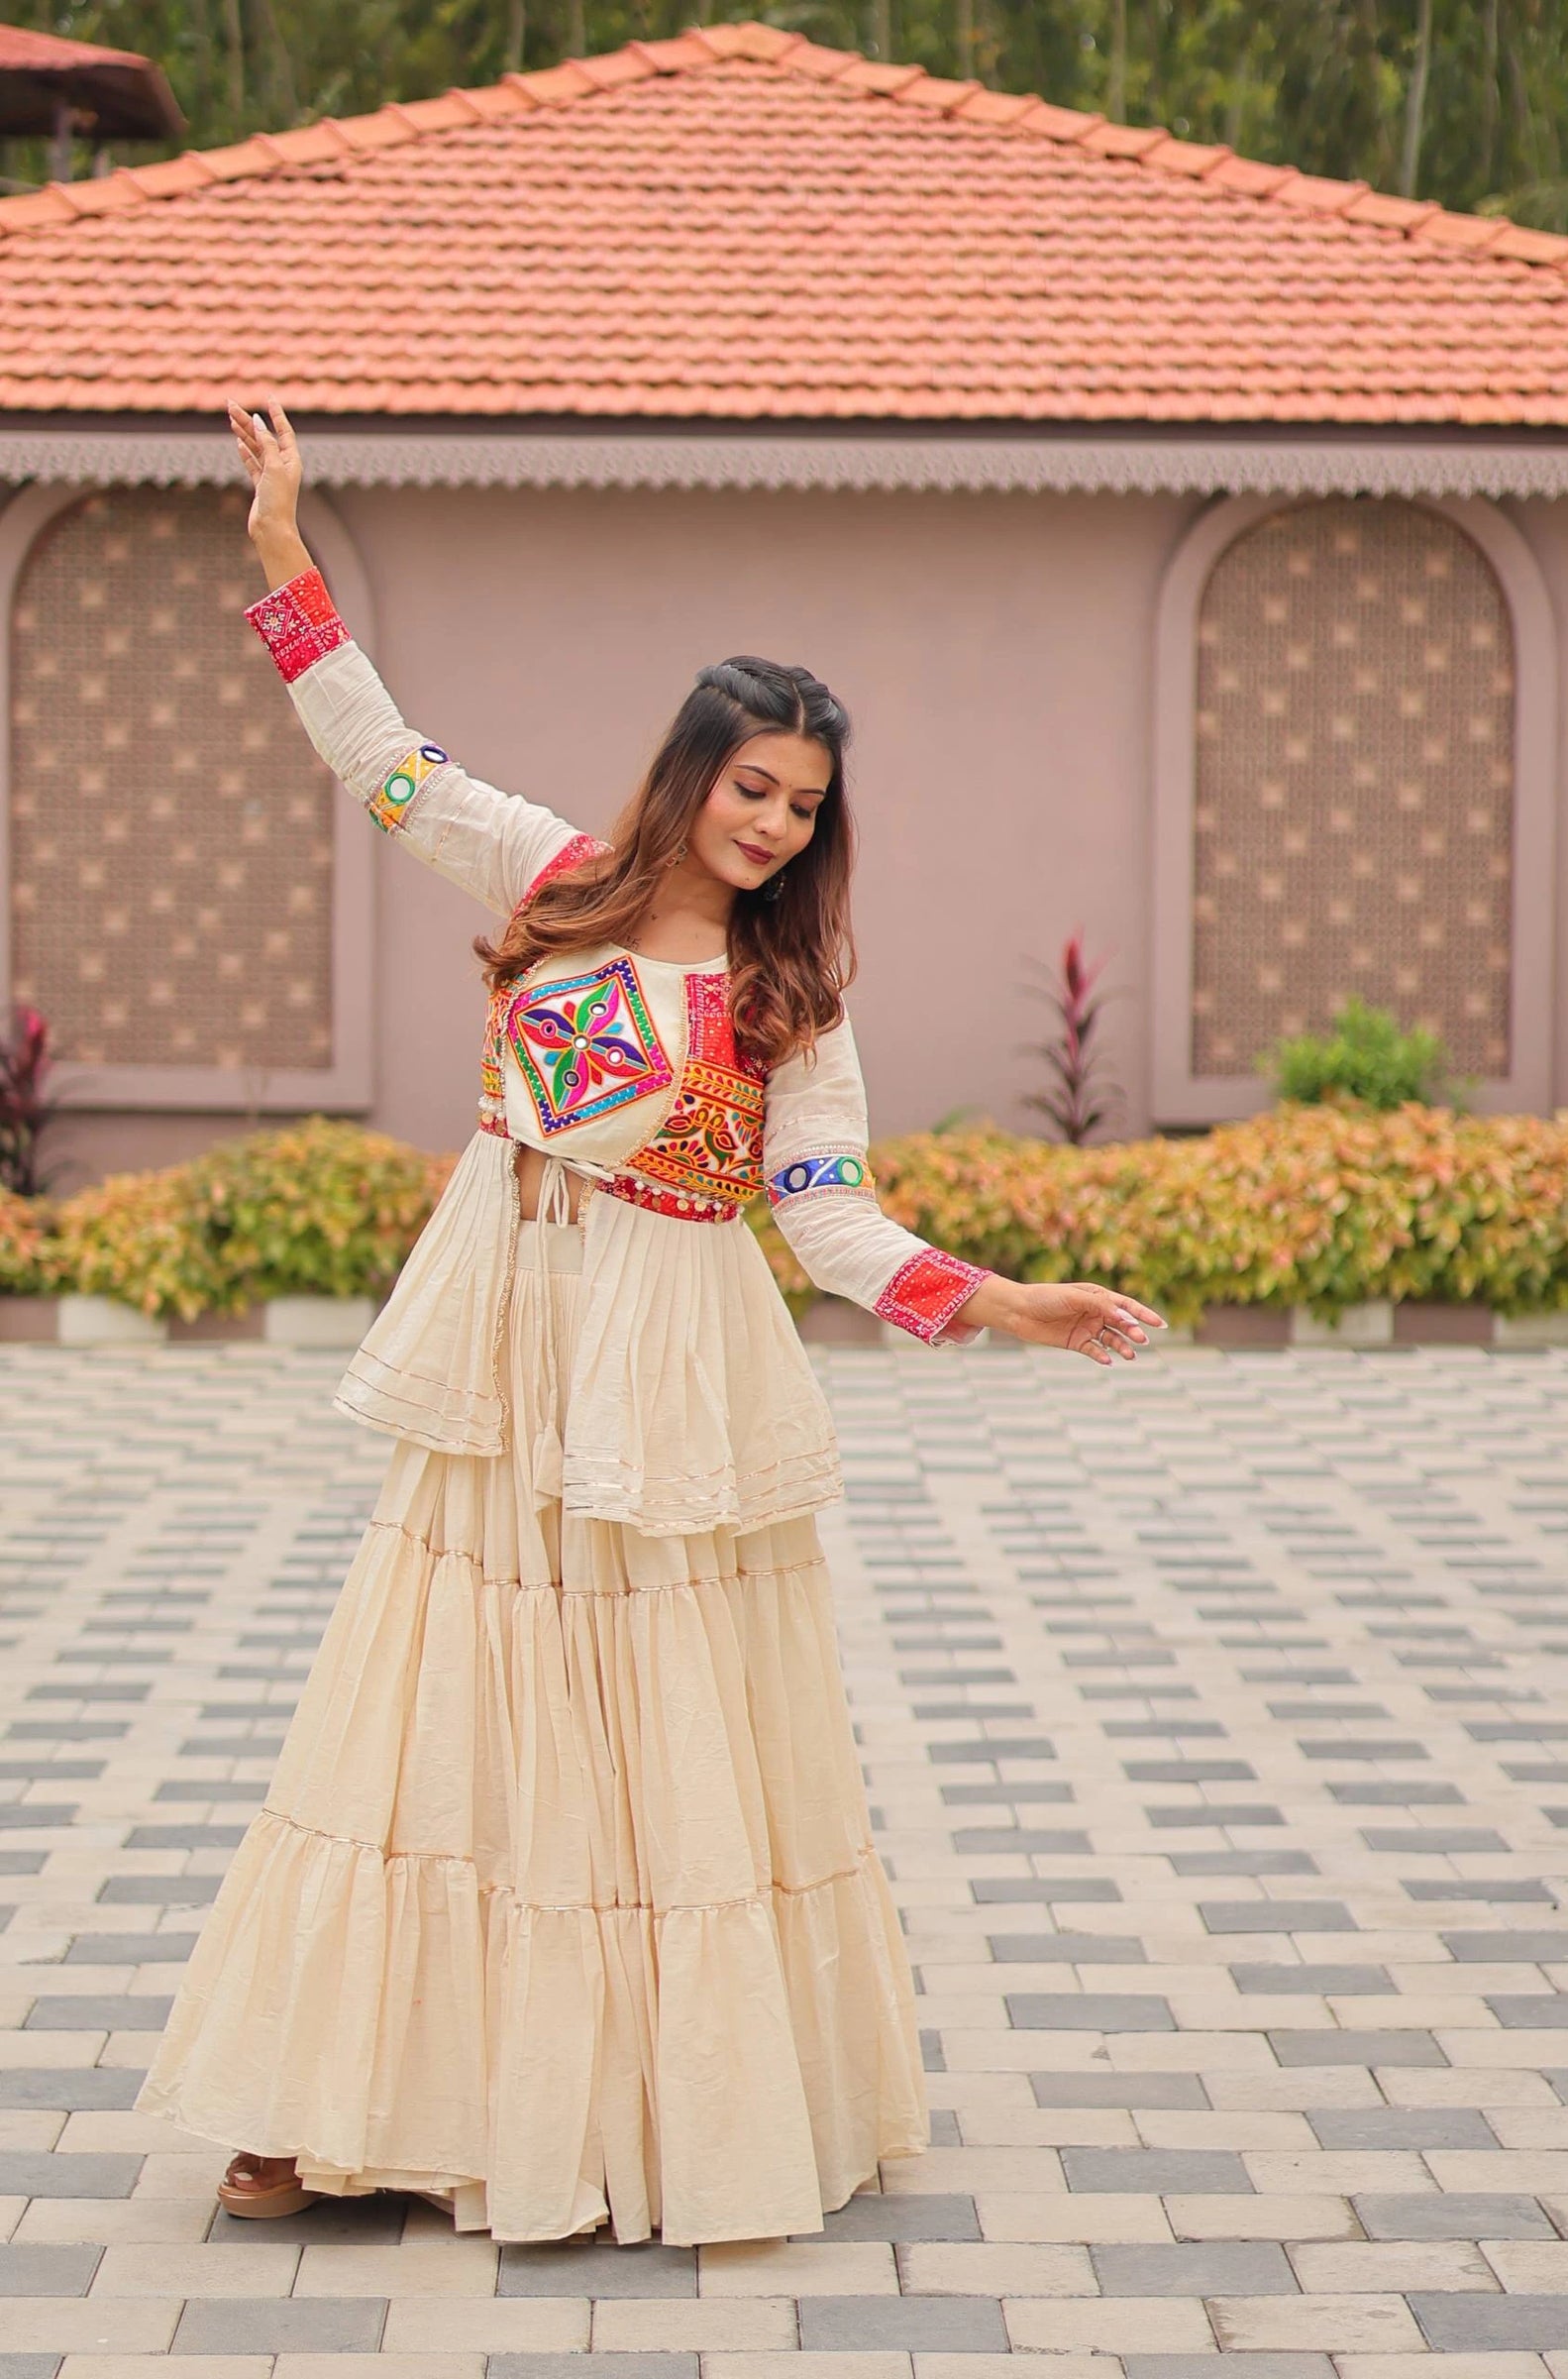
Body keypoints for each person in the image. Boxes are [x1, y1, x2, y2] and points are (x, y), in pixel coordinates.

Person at [135, 399, 1164, 2246]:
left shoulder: (792, 1004)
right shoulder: (551, 884)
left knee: (646, 1725)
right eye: (753, 784)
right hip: (508, 1333)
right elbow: (383, 765)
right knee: (438, 1705)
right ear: (692, 767)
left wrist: (1002, 1298)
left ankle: (625, 2114)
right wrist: (281, 550)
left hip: (666, 1357)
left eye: (805, 805)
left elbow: (824, 1213)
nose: (773, 824)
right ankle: (330, 2099)